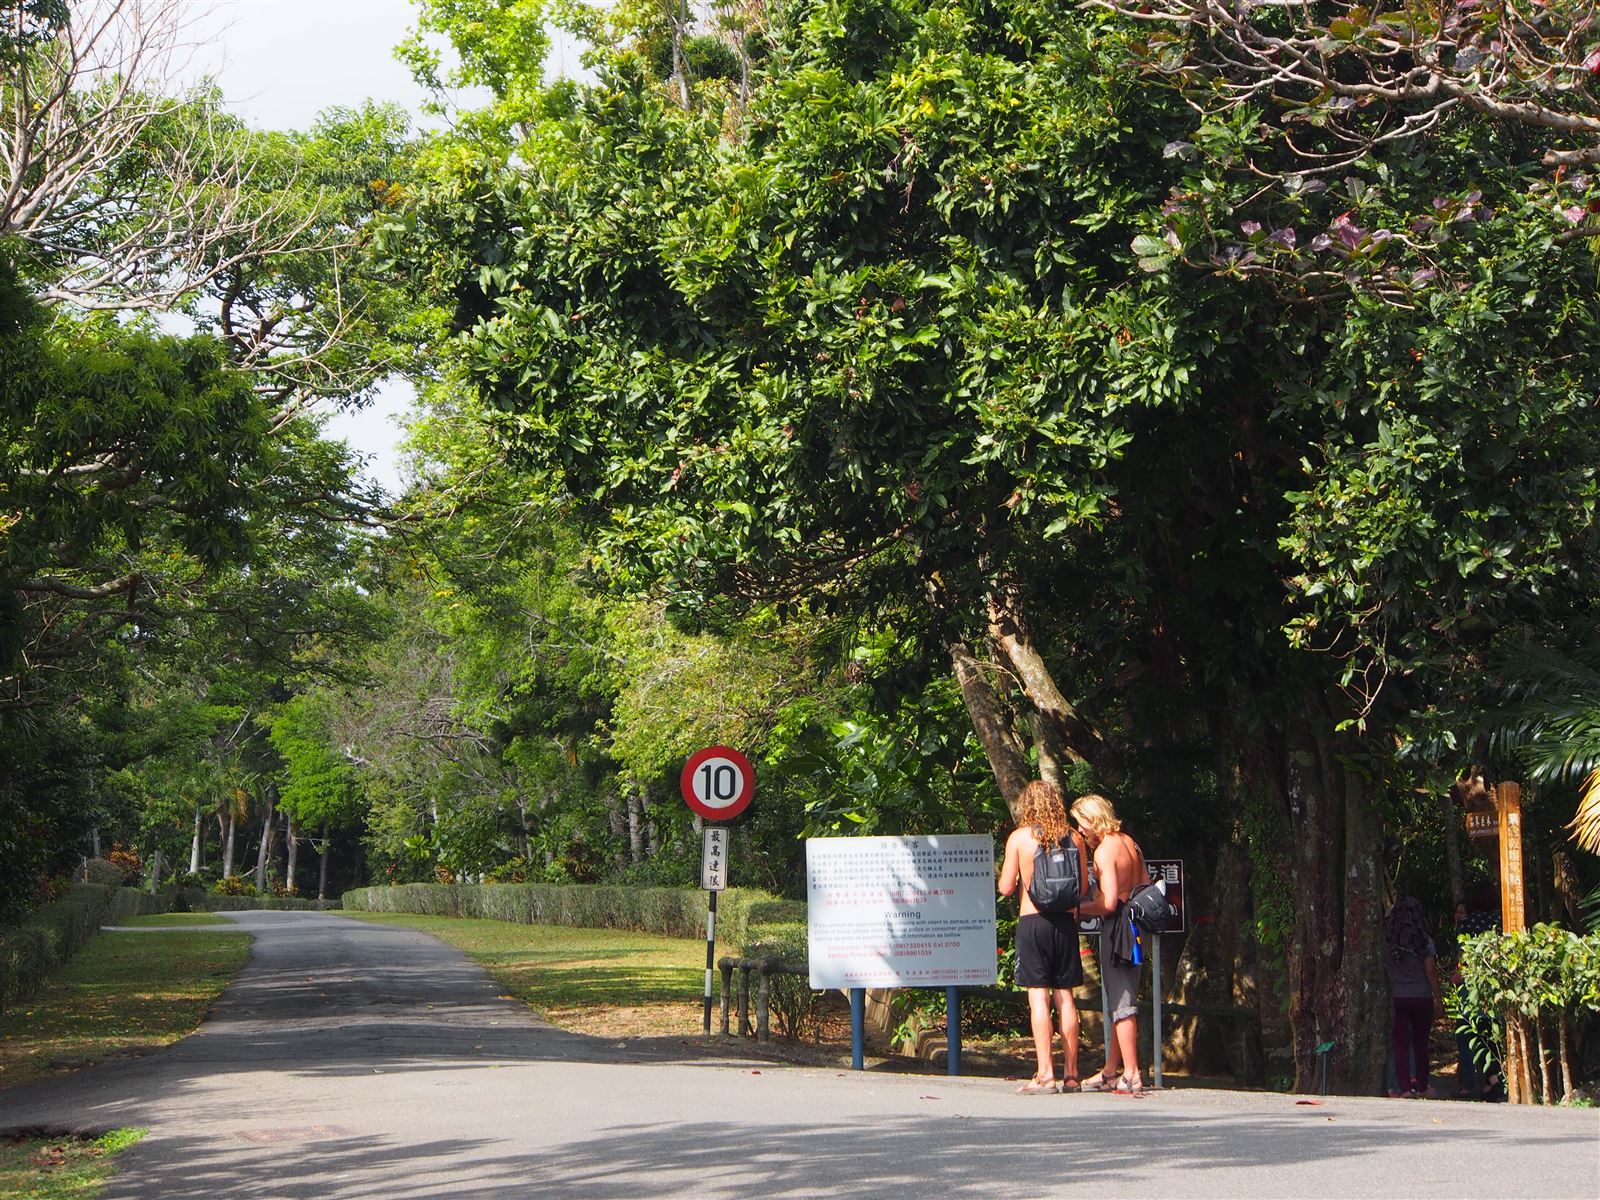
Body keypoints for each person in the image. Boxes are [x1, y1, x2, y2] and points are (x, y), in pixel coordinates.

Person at [998, 780, 1089, 1094]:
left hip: (1033, 922)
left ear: (1028, 805)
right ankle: (1073, 1075)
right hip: (1065, 923)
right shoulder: (1075, 838)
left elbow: (1006, 887)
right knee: (1066, 998)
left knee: (1039, 997)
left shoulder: (1021, 839)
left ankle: (1046, 1074)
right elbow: (1084, 890)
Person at [1071, 792, 1148, 1095]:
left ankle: (1131, 1073)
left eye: (1080, 824)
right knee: (1125, 998)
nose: (1079, 831)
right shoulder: (1131, 843)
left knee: (1121, 1004)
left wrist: (1075, 909)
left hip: (1117, 929)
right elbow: (1143, 884)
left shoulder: (1105, 850)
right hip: (1137, 925)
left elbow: (1110, 903)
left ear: (1092, 819)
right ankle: (1110, 1071)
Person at [1384, 896, 1445, 1098]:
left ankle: (1403, 1088)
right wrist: (1438, 998)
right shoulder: (1424, 941)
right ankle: (1421, 1086)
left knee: (1400, 1043)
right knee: (1420, 1043)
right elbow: (1430, 971)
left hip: (1399, 997)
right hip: (1422, 997)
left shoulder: (1389, 941)